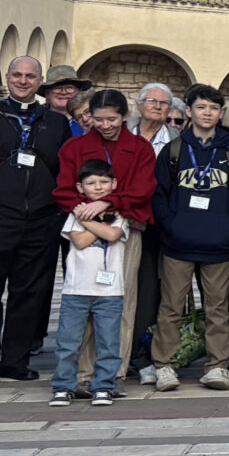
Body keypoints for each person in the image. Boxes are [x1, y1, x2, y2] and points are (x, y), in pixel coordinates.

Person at [0, 52, 71, 384]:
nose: (23, 81)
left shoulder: (55, 122)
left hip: (40, 220)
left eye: (30, 76)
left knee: (29, 294)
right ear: (6, 79)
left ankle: (15, 361)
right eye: (17, 75)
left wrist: (57, 213)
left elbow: (64, 169)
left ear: (40, 82)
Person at [52, 88, 157, 393]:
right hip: (83, 230)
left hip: (124, 228)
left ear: (125, 116)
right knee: (82, 301)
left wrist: (108, 203)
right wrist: (85, 212)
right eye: (98, 119)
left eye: (112, 118)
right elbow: (63, 189)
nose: (105, 125)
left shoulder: (139, 148)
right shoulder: (75, 147)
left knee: (120, 302)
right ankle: (83, 374)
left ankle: (113, 374)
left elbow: (143, 189)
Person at [149, 84, 229, 391]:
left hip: (219, 243)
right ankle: (164, 365)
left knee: (218, 308)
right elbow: (159, 194)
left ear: (221, 113)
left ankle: (217, 365)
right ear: (189, 111)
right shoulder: (174, 149)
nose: (207, 113)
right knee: (172, 306)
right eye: (201, 107)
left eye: (214, 108)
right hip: (179, 242)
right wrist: (170, 224)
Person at [47, 157, 128, 408]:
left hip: (110, 292)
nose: (99, 186)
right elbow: (79, 242)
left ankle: (103, 386)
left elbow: (113, 234)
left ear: (114, 184)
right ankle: (63, 386)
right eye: (91, 183)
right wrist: (99, 224)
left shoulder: (119, 214)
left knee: (108, 342)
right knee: (68, 342)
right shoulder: (75, 213)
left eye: (104, 182)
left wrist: (88, 222)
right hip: (76, 289)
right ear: (80, 188)